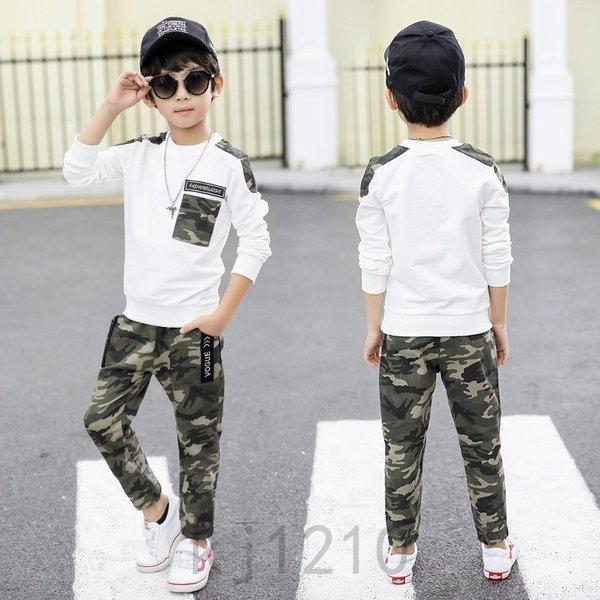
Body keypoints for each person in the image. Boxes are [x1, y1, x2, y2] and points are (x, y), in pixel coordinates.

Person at [62, 16, 271, 594]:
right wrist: (112, 107)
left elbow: (257, 241)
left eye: (194, 80)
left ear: (215, 85)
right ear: (151, 94)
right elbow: (76, 171)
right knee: (101, 421)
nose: (182, 95)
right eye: (166, 84)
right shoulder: (137, 155)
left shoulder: (228, 163)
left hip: (194, 330)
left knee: (198, 444)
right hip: (135, 323)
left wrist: (222, 316)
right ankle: (159, 513)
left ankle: (197, 540)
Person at [355, 20, 518, 585]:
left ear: (391, 99)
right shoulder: (482, 170)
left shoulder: (381, 173)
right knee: (483, 445)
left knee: (401, 447)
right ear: (463, 94)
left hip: (403, 330)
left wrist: (374, 326)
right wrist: (498, 322)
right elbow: (497, 254)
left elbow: (373, 259)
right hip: (470, 330)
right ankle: (494, 546)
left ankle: (401, 549)